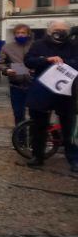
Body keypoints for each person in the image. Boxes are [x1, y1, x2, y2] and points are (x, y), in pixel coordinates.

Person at [24, 20, 78, 172]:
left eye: (63, 30)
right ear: (49, 31)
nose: (60, 32)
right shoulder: (38, 44)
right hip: (42, 91)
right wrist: (46, 60)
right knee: (39, 128)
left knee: (69, 128)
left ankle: (74, 159)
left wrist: (64, 62)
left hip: (66, 93)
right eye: (56, 29)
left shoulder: (74, 45)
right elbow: (28, 61)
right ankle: (38, 156)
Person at [0, 24, 33, 125]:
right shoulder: (7, 47)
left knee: (34, 114)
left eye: (23, 33)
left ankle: (34, 137)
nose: (20, 35)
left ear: (28, 34)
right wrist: (6, 70)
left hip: (33, 84)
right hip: (16, 85)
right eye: (17, 33)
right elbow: (1, 63)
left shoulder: (35, 46)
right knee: (18, 114)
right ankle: (20, 138)